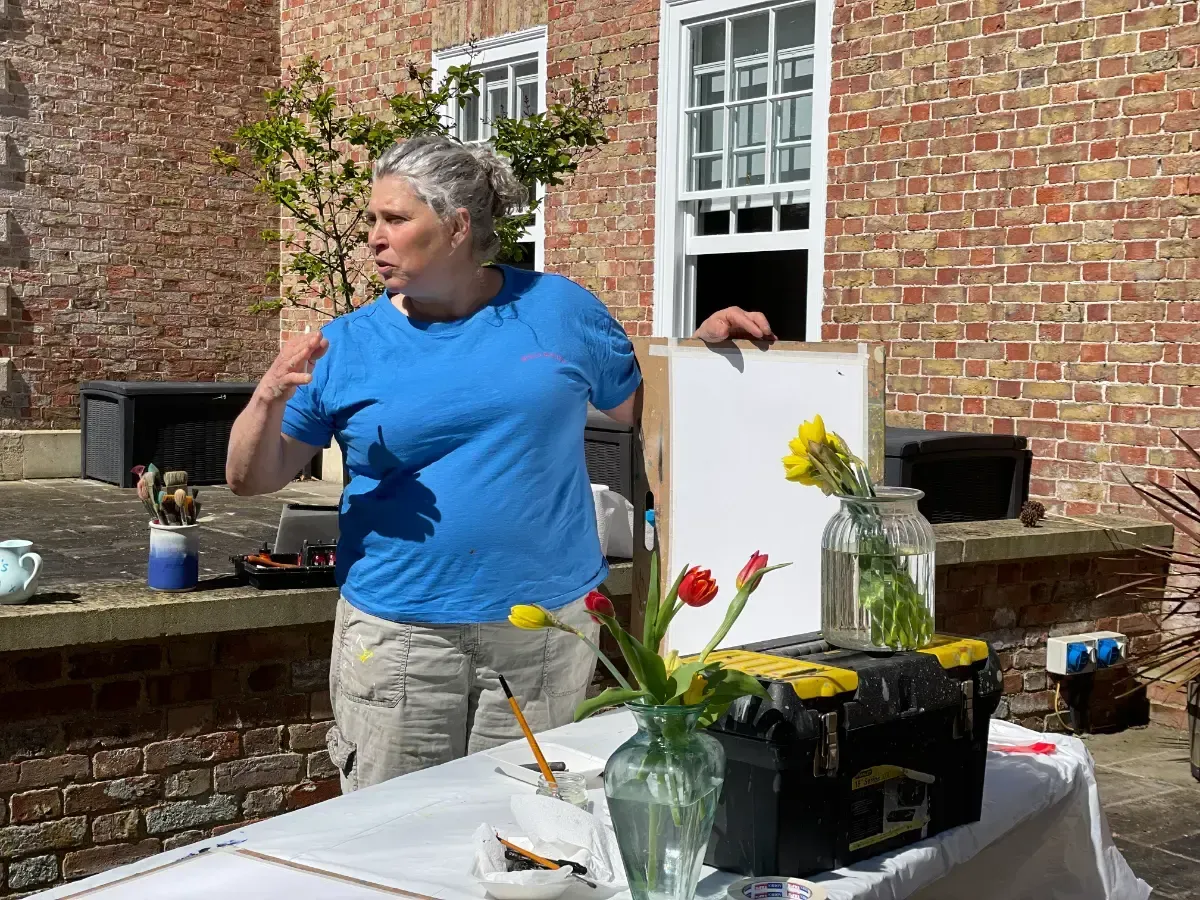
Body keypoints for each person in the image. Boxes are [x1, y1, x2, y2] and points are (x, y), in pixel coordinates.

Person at [226, 134, 774, 792]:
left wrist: (702, 351)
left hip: (542, 634)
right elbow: (250, 477)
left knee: (530, 835)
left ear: (457, 227)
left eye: (395, 219)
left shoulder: (558, 310)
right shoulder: (345, 345)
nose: (372, 236)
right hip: (401, 638)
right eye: (371, 219)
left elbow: (650, 410)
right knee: (395, 840)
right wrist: (266, 396)